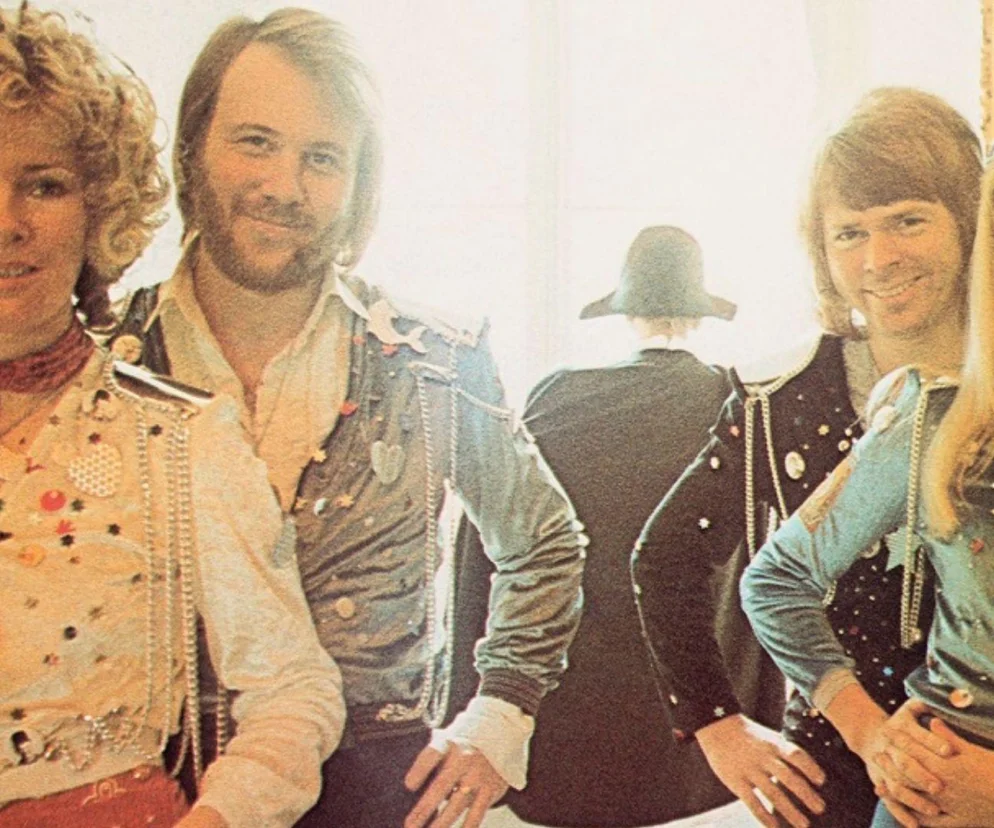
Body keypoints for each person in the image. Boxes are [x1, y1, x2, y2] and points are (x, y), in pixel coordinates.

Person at [108, 8, 586, 828]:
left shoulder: (435, 363)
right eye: (255, 142)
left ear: (359, 183)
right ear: (192, 150)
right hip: (153, 793)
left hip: (376, 796)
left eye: (321, 158)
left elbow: (543, 542)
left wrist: (500, 715)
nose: (284, 186)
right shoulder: (100, 363)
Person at [0, 6, 343, 828]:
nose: (7, 222)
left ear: (100, 208)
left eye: (44, 185)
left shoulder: (177, 439)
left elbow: (293, 690)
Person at [631, 87, 981, 828]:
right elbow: (665, 560)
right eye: (849, 233)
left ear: (968, 219)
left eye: (907, 221)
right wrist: (719, 726)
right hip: (834, 778)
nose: (879, 258)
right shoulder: (777, 398)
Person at [741, 160, 994, 828]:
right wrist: (868, 732)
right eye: (852, 233)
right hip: (935, 799)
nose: (878, 257)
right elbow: (775, 581)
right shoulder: (937, 419)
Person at [503, 225, 772, 827]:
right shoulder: (738, 401)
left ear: (624, 314)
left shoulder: (556, 397)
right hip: (703, 717)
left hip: (574, 710)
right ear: (700, 317)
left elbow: (500, 548)